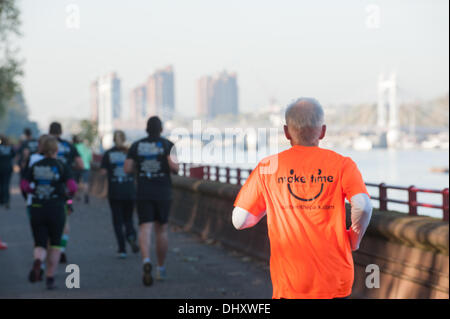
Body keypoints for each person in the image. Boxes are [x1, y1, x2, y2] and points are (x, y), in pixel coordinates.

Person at [232, 97, 373, 299]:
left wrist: (270, 206)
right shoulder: (342, 164)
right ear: (322, 131)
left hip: (290, 281)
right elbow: (363, 205)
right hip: (335, 276)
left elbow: (239, 220)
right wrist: (354, 239)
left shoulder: (268, 167)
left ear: (286, 132)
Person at [124, 116, 179, 286]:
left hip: (143, 190)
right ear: (161, 129)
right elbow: (175, 168)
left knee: (145, 227)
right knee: (161, 230)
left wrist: (140, 167)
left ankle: (146, 260)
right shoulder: (168, 145)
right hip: (163, 191)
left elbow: (127, 168)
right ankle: (160, 268)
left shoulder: (136, 145)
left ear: (146, 129)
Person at [21, 136, 77, 289]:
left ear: (42, 149)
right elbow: (72, 187)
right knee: (55, 244)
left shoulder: (36, 165)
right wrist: (68, 198)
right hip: (56, 207)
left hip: (37, 207)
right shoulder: (61, 165)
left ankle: (38, 260)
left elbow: (24, 185)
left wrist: (34, 191)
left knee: (40, 243)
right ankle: (50, 277)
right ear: (56, 150)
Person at [49, 122, 84, 264]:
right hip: (66, 189)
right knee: (64, 221)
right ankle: (61, 250)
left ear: (50, 131)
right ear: (61, 131)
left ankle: (48, 250)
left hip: (47, 188)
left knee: (47, 221)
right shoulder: (69, 146)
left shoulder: (46, 146)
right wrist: (69, 169)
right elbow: (81, 164)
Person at [100, 130, 138, 259]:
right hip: (129, 190)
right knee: (128, 219)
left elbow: (103, 172)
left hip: (115, 191)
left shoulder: (108, 154)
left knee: (117, 221)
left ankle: (122, 249)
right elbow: (135, 168)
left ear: (114, 140)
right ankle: (131, 236)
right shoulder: (129, 153)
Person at [17, 128, 39, 199]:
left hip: (27, 165)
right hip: (37, 164)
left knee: (24, 182)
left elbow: (25, 153)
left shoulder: (25, 142)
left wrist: (23, 162)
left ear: (25, 134)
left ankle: (27, 197)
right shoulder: (36, 141)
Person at [72, 135, 92, 204]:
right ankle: (86, 195)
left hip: (77, 167)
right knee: (85, 182)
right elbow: (90, 158)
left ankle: (77, 196)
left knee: (76, 182)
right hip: (86, 167)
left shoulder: (74, 147)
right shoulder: (86, 147)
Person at [0, 135, 16, 210]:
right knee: (6, 184)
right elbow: (14, 155)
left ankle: (1, 200)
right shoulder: (10, 147)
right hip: (8, 168)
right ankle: (6, 200)